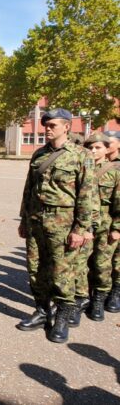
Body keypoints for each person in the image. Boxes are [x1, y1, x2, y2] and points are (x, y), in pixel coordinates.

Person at [17, 108, 94, 343]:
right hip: (36, 220)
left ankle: (62, 316)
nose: (47, 129)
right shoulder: (39, 154)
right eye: (46, 125)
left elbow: (87, 195)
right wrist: (23, 219)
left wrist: (81, 229)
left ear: (67, 127)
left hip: (63, 222)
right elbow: (29, 189)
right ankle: (42, 311)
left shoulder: (81, 155)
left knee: (62, 272)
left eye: (53, 125)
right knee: (35, 269)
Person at [82, 133, 120, 321]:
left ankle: (99, 298)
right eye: (90, 147)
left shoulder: (114, 171)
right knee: (81, 263)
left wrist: (117, 228)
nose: (93, 151)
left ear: (106, 149)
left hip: (105, 223)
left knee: (101, 263)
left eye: (98, 147)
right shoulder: (82, 167)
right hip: (83, 222)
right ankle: (83, 298)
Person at [104, 130, 120, 312]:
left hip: (115, 219)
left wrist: (117, 227)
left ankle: (116, 291)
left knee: (117, 260)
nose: (106, 145)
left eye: (110, 142)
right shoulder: (94, 163)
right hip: (100, 220)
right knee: (100, 261)